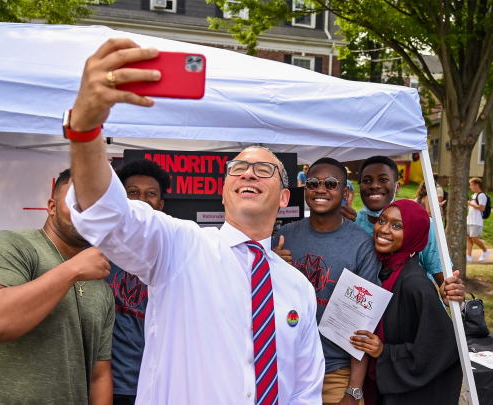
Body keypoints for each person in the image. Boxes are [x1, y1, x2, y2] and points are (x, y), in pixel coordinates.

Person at [65, 38, 325, 405]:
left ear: (284, 198)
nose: (248, 174)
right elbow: (106, 214)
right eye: (237, 168)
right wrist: (85, 128)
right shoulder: (179, 247)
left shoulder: (298, 288)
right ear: (223, 191)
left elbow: (304, 391)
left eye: (263, 169)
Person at [0, 169, 115, 405]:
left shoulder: (101, 288)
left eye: (97, 206)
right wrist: (72, 270)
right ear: (51, 207)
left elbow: (98, 375)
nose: (87, 212)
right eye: (77, 200)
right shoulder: (10, 245)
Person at [272, 158, 381, 405]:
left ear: (345, 191)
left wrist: (354, 389)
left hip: (336, 373)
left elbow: (363, 322)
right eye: (313, 183)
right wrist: (271, 265)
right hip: (287, 368)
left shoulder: (361, 244)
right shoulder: (285, 236)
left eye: (331, 183)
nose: (321, 189)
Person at [350, 200, 462, 405]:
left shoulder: (415, 283)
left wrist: (385, 351)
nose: (383, 229)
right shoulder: (383, 268)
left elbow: (443, 345)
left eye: (397, 226)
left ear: (415, 233)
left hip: (407, 395)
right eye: (381, 220)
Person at [340, 156, 464, 303]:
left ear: (397, 186)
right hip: (365, 316)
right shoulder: (349, 223)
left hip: (410, 312)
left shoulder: (421, 224)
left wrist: (451, 290)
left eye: (383, 179)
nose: (374, 185)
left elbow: (444, 280)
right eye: (366, 180)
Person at [108, 159, 170, 405]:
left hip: (165, 384)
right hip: (114, 386)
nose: (142, 199)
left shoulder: (177, 250)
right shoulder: (101, 246)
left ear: (161, 204)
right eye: (133, 192)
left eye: (151, 194)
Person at [467, 177, 490, 262]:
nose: (470, 187)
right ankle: (468, 256)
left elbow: (482, 207)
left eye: (472, 185)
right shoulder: (474, 195)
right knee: (469, 238)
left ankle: (485, 251)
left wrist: (471, 204)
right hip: (470, 220)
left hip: (476, 221)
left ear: (477, 185)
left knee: (474, 238)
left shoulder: (482, 195)